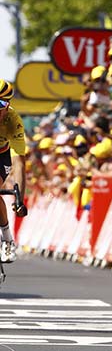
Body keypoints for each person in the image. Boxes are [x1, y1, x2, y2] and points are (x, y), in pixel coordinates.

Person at [0, 79, 28, 263]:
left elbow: (19, 162)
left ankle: (8, 239)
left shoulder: (12, 121)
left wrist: (20, 199)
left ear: (7, 105)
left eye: (0, 105)